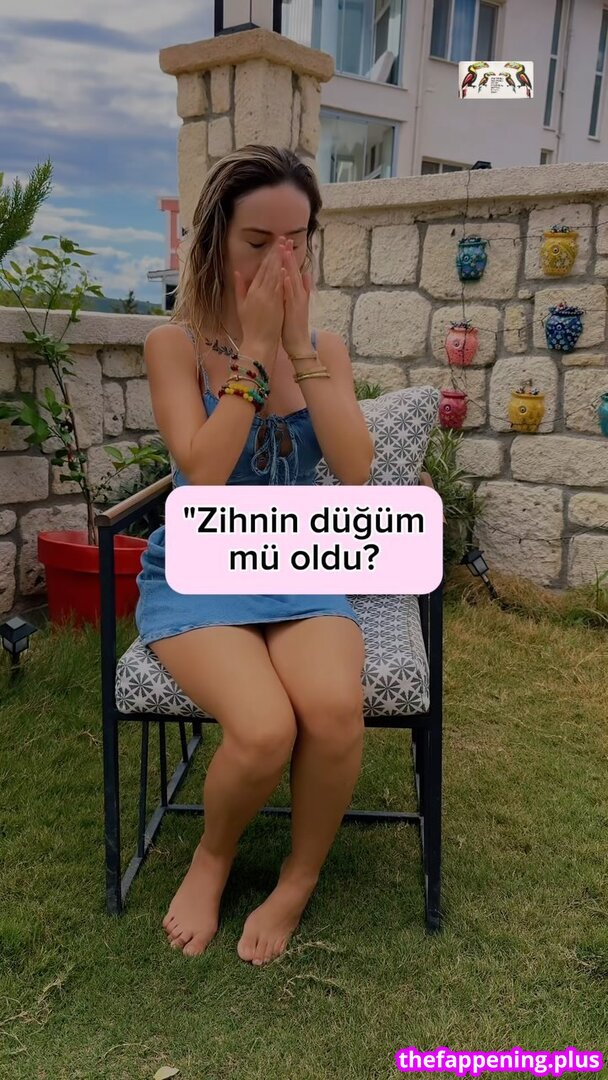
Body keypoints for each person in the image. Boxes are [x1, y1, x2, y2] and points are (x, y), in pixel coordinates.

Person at [135, 144, 374, 964]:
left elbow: (355, 468)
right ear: (215, 242)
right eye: (259, 242)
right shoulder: (174, 344)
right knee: (265, 729)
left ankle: (296, 882)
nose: (282, 261)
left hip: (298, 563)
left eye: (297, 241)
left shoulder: (325, 350)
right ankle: (213, 857)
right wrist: (254, 354)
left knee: (333, 711)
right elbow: (201, 472)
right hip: (200, 569)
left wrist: (296, 346)